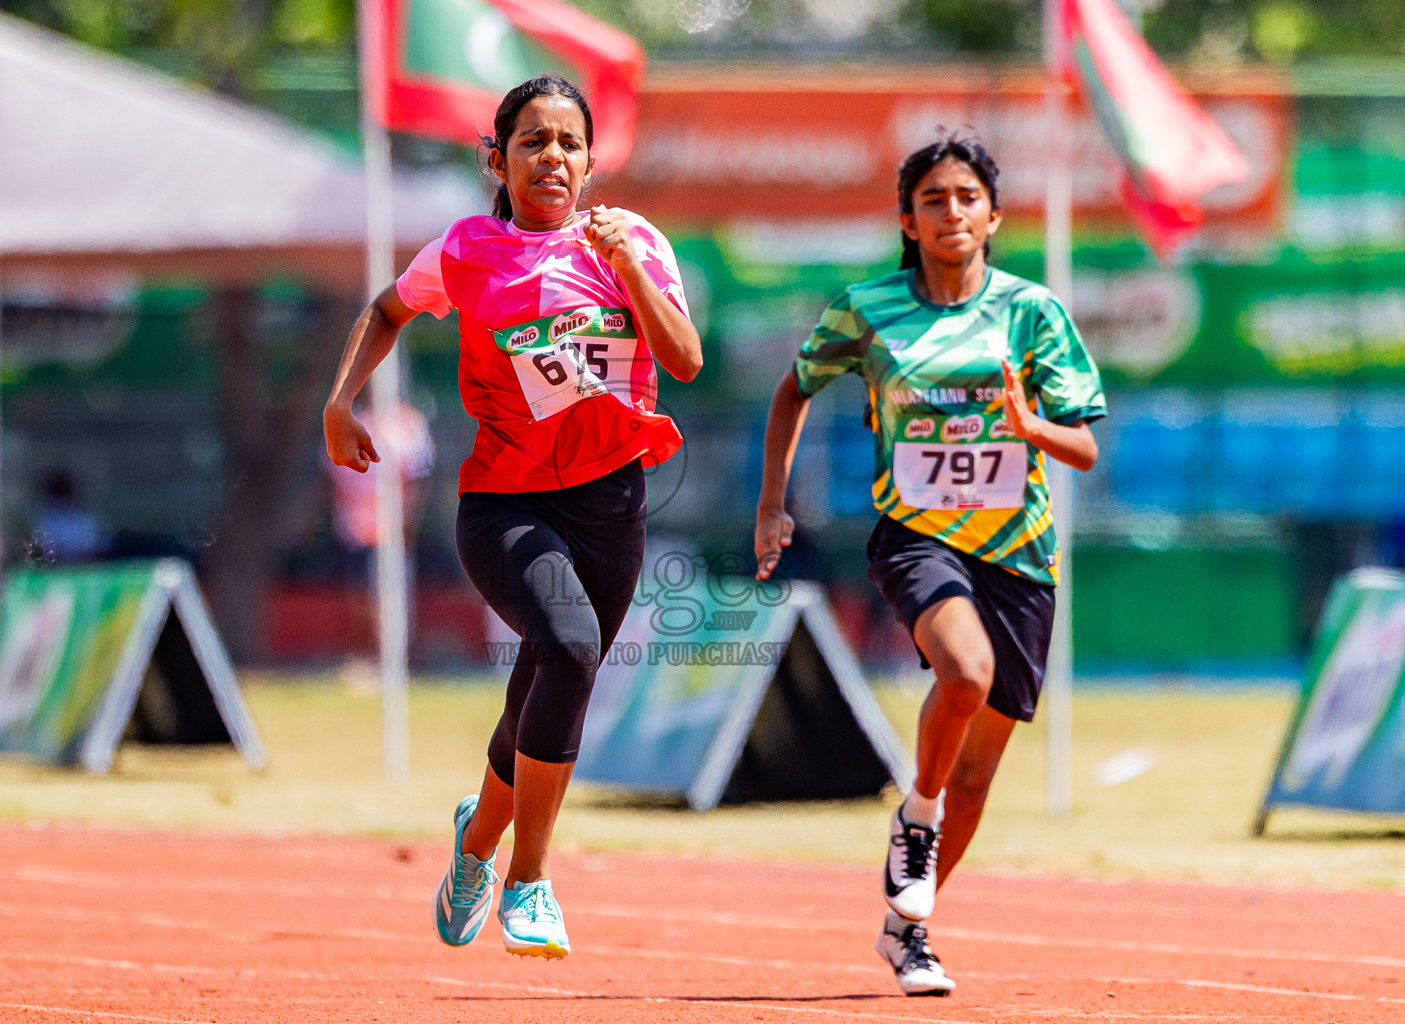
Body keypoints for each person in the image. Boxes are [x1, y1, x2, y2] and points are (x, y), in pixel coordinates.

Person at [323, 73, 701, 960]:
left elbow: (683, 359)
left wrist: (629, 267)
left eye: (569, 143)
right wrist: (340, 402)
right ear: (497, 160)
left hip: (611, 503)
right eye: (533, 141)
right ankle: (529, 881)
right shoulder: (466, 249)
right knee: (567, 646)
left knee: (545, 683)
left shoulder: (635, 241)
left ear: (591, 162)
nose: (552, 157)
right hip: (505, 502)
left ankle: (476, 845)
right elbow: (385, 310)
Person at [753, 134, 1105, 996]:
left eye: (966, 197)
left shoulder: (1032, 313)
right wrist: (771, 503)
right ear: (908, 221)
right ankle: (917, 813)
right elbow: (795, 387)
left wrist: (1028, 427)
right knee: (964, 673)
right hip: (917, 536)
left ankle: (909, 931)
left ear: (994, 215)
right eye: (933, 199)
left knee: (979, 775)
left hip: (1018, 554)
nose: (951, 212)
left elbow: (1083, 448)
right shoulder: (868, 309)